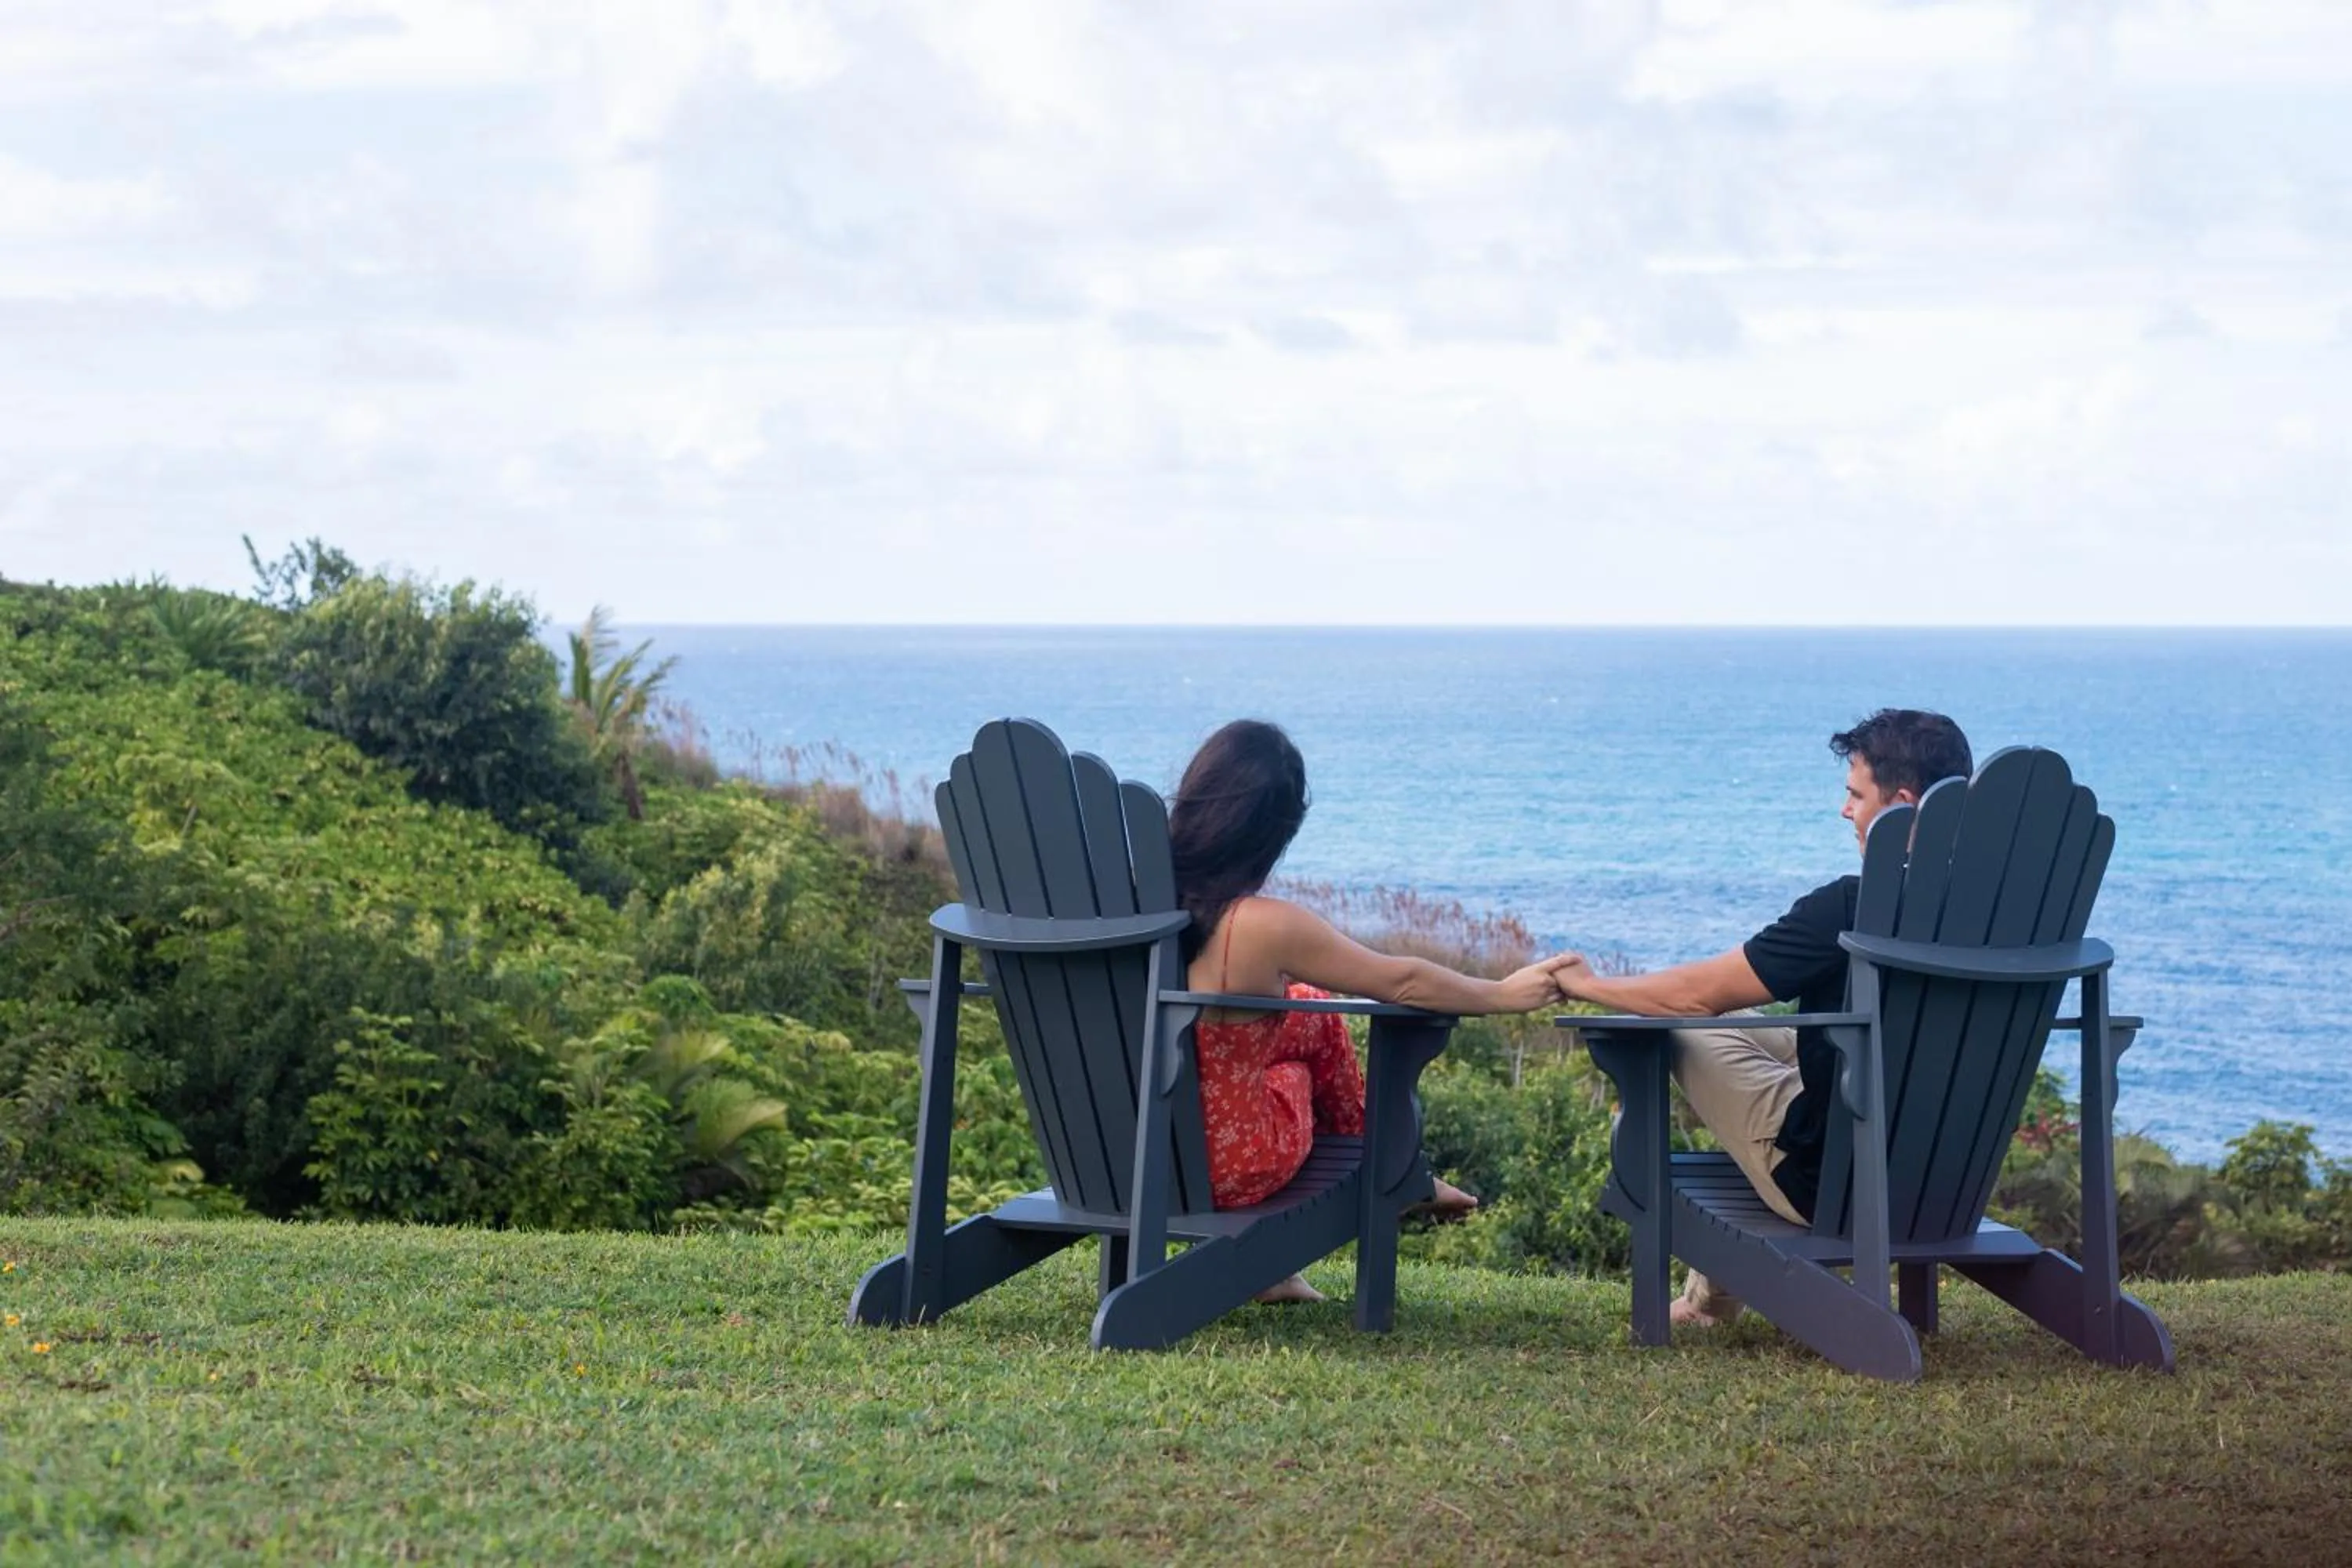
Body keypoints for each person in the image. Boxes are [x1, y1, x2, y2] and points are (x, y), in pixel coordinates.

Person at [1550, 708, 1974, 1328]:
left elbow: (1694, 998)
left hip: (1835, 1187)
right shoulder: (2001, 915)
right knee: (1756, 1024)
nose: (1845, 811)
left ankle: (1702, 1305)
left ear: (1902, 804)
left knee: (1684, 1029)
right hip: (1953, 1183)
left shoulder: (1849, 907)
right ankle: (1706, 1301)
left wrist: (1589, 986)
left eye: (1855, 796)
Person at [1169, 719, 1573, 1304]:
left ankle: (1398, 1178)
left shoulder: (1127, 893)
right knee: (1295, 1069)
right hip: (1226, 1164)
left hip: (1128, 1146)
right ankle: (1401, 1172)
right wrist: (1503, 993)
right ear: (1275, 830)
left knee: (1307, 1007)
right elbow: (1399, 980)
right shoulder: (1258, 924)